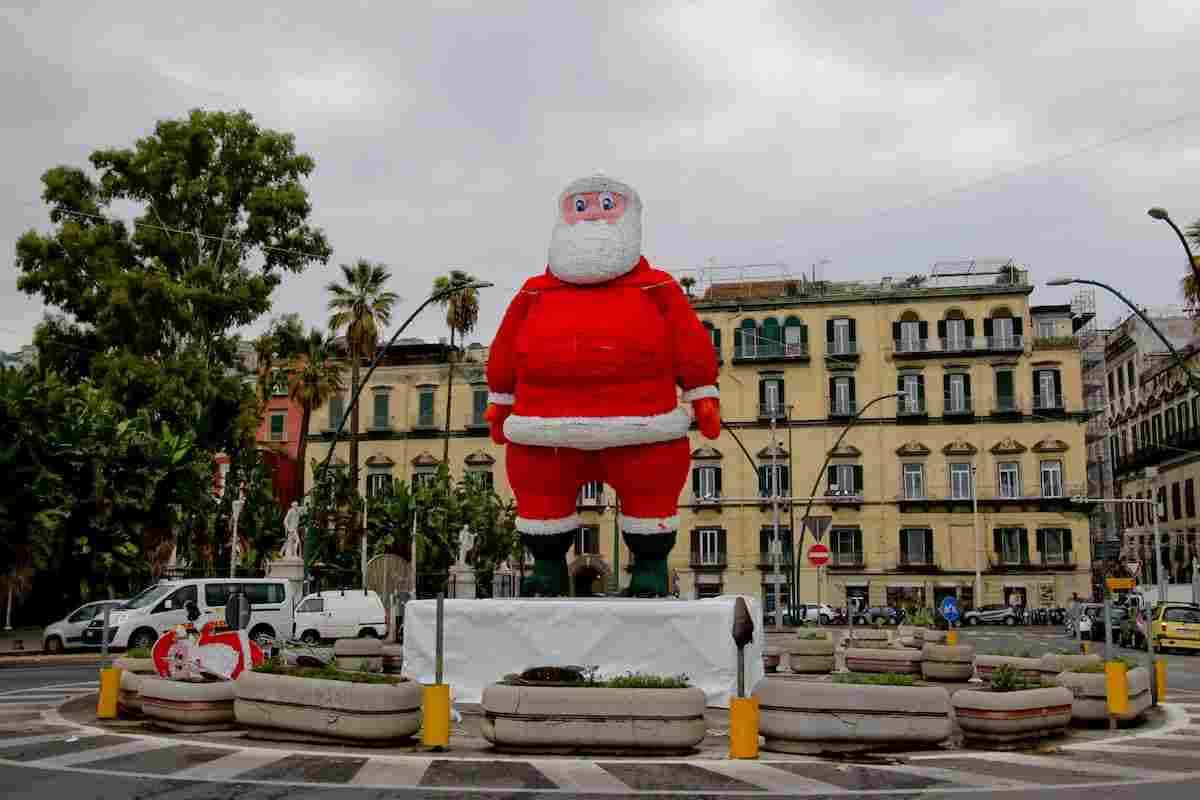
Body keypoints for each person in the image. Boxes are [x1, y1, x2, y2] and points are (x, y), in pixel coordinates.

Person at [485, 175, 721, 596]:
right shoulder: (533, 291)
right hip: (545, 430)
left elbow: (689, 340)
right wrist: (500, 398)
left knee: (650, 495)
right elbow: (504, 346)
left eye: (606, 205)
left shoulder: (658, 286)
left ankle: (649, 572)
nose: (592, 214)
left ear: (629, 217)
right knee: (541, 497)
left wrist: (702, 391)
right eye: (581, 206)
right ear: (563, 218)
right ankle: (547, 570)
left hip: (641, 426)